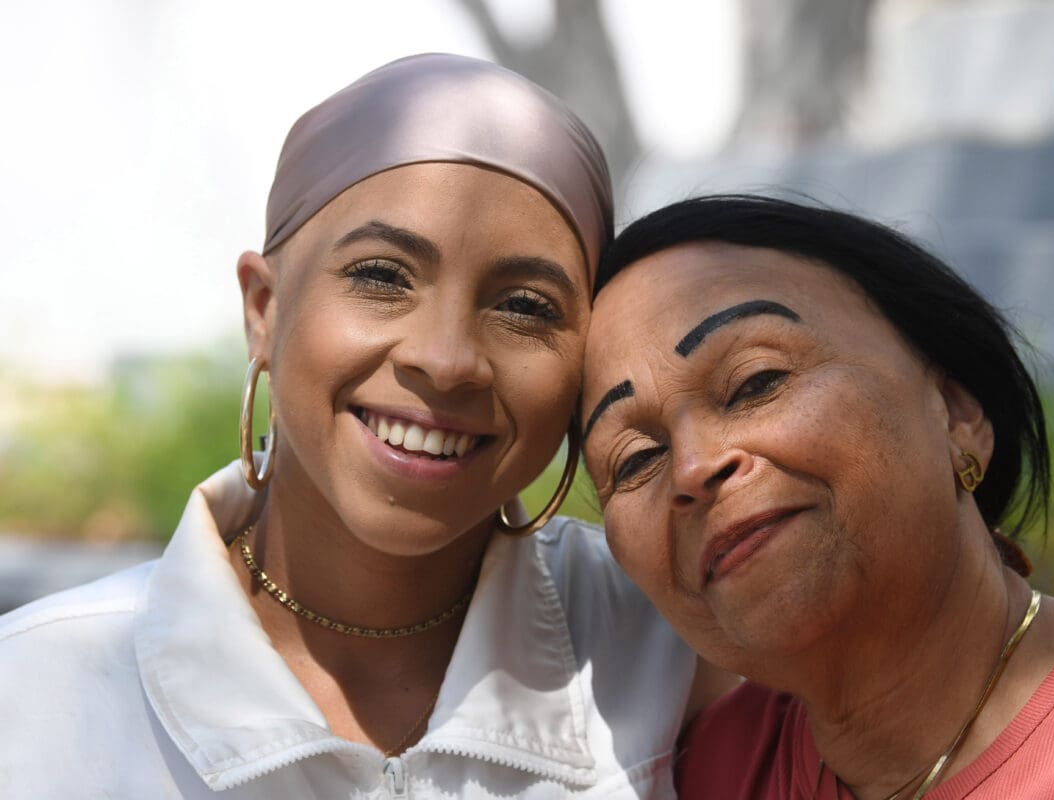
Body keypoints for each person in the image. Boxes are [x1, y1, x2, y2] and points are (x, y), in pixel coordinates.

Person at [0, 54, 717, 799]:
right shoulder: (37, 698)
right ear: (263, 310)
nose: (445, 362)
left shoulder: (677, 648)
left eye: (525, 307)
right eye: (381, 276)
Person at [578, 195, 1054, 799]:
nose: (693, 468)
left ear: (958, 413)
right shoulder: (699, 775)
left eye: (757, 381)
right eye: (636, 459)